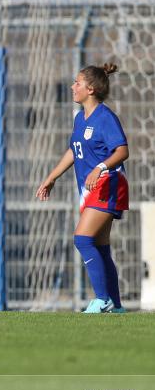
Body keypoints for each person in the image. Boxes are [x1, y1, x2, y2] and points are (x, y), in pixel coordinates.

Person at [35, 63, 129, 314]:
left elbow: (122, 151)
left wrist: (100, 167)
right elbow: (73, 151)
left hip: (108, 183)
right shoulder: (80, 118)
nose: (72, 87)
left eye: (77, 83)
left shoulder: (105, 118)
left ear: (90, 88)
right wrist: (51, 177)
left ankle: (102, 300)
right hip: (91, 188)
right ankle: (116, 306)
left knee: (82, 239)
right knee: (100, 246)